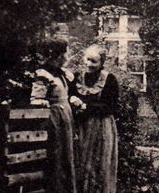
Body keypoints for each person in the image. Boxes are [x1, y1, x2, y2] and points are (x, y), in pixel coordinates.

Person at [30, 39, 78, 193]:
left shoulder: (63, 74)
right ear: (58, 56)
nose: (67, 56)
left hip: (66, 119)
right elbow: (36, 99)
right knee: (55, 157)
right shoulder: (43, 74)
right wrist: (44, 104)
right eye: (66, 53)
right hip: (54, 121)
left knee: (67, 157)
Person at [75, 44, 120, 193]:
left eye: (94, 61)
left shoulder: (109, 79)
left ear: (101, 63)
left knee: (100, 164)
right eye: (87, 60)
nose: (89, 64)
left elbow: (110, 106)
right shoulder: (77, 78)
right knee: (81, 163)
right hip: (82, 127)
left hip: (102, 127)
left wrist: (86, 107)